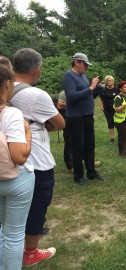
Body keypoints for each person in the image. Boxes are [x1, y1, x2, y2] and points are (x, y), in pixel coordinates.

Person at [11, 48, 65, 266]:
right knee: (37, 206)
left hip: (9, 157)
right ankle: (30, 252)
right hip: (35, 160)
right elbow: (60, 123)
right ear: (36, 69)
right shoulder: (36, 95)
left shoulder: (4, 90)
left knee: (9, 209)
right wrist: (40, 124)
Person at [0, 63, 34, 270]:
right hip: (14, 181)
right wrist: (27, 131)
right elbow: (19, 156)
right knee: (13, 233)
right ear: (6, 84)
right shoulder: (10, 114)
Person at [62, 52, 104, 186]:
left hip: (87, 115)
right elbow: (72, 97)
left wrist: (97, 89)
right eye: (85, 64)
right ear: (76, 62)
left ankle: (91, 172)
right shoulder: (69, 76)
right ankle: (78, 176)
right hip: (75, 117)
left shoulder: (84, 77)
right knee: (78, 147)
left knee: (89, 145)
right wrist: (90, 88)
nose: (86, 67)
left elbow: (88, 95)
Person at [99, 75, 119, 144]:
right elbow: (101, 98)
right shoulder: (104, 89)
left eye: (110, 80)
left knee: (118, 123)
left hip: (116, 110)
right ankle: (112, 138)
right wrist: (101, 106)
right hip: (107, 109)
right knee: (110, 124)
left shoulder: (117, 89)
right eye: (107, 81)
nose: (108, 82)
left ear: (113, 81)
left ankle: (120, 136)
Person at [57, 90, 73, 173]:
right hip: (67, 120)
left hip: (76, 118)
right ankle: (69, 166)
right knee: (69, 142)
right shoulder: (64, 93)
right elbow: (59, 106)